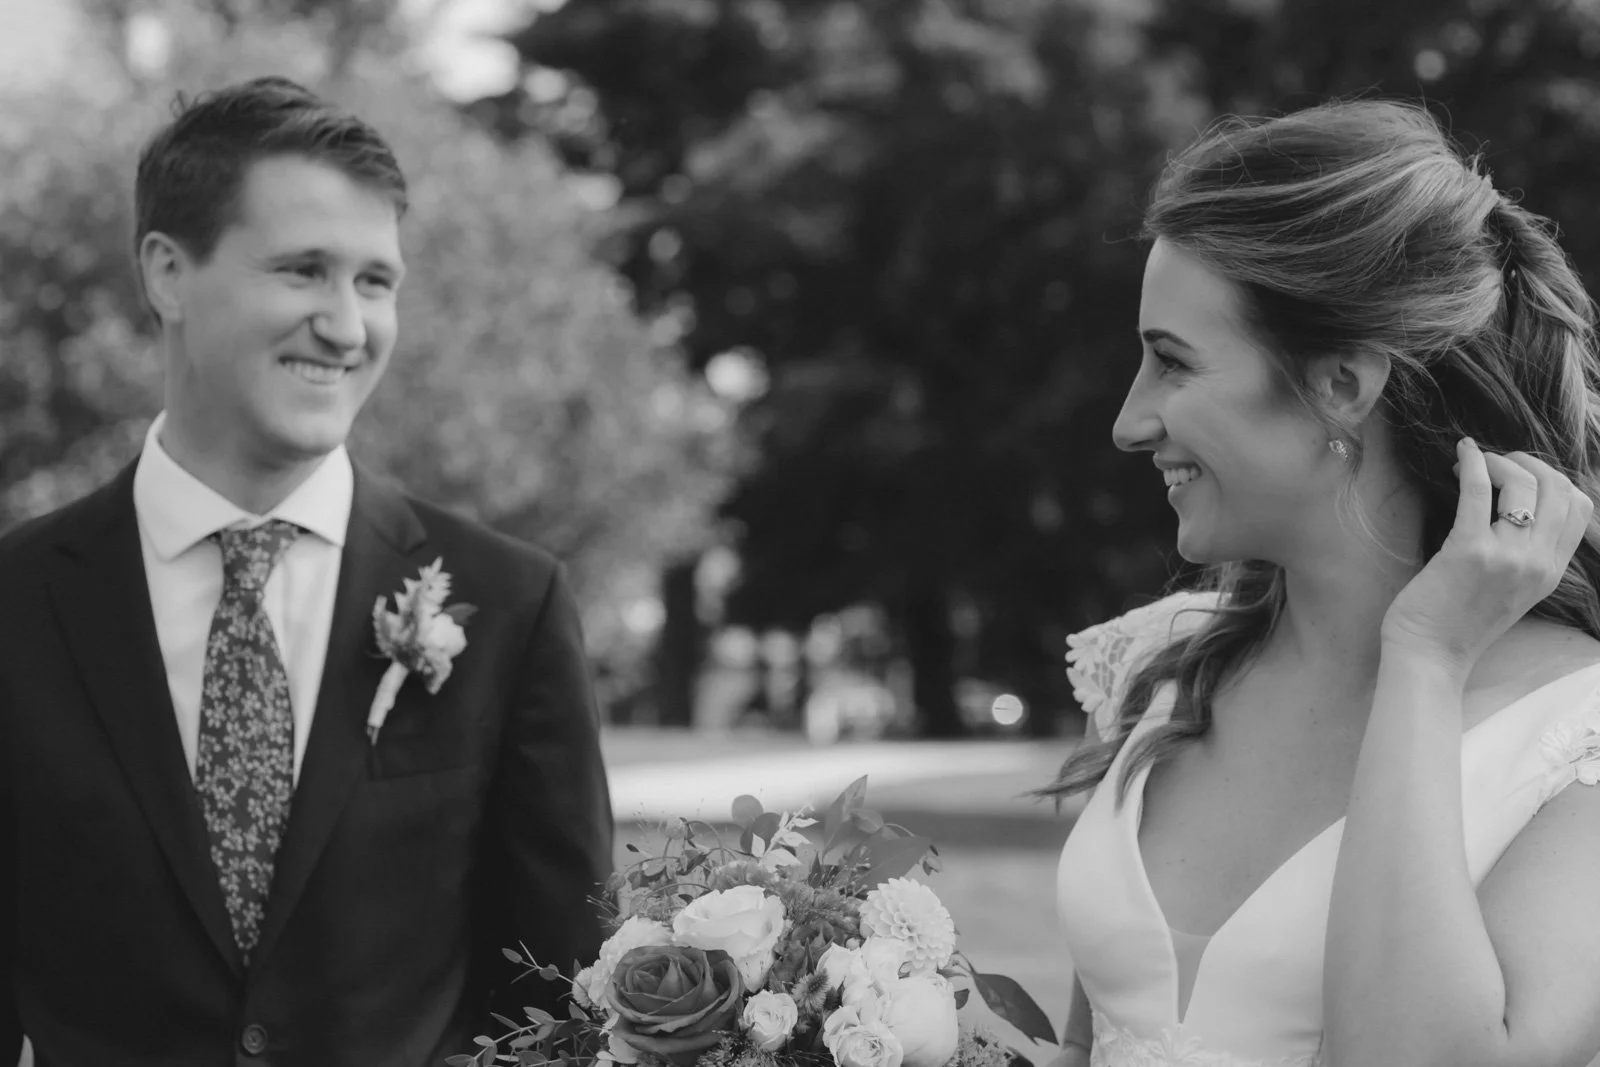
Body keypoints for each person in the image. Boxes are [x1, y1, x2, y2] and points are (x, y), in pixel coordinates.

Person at [0, 77, 613, 1066]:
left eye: (375, 282)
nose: (346, 324)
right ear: (167, 273)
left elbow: (561, 1000)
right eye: (303, 270)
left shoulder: (508, 603)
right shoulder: (16, 605)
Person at [1044, 99, 1600, 1066]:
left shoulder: (1578, 736)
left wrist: (1425, 660)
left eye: (1171, 362)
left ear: (1342, 385)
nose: (1131, 422)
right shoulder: (1164, 659)